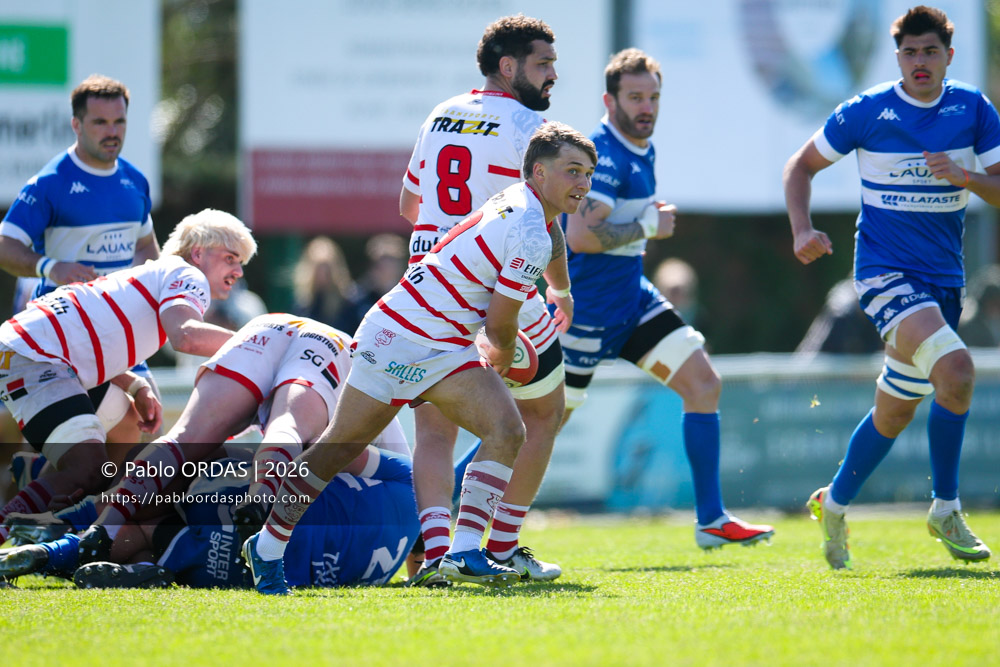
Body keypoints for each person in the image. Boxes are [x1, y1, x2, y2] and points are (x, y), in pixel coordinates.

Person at [243, 121, 595, 595]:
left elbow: (552, 239)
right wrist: (503, 359)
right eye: (572, 171)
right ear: (538, 171)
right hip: (410, 338)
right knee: (338, 449)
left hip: (409, 330)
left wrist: (562, 290)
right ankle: (265, 547)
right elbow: (500, 325)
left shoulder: (523, 203)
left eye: (588, 174)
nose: (583, 183)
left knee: (507, 429)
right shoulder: (529, 226)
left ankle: (464, 551)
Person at [784, 6, 996, 569]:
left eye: (930, 51)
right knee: (958, 372)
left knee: (896, 411)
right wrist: (802, 228)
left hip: (943, 283)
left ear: (949, 55)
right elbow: (799, 167)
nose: (919, 61)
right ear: (896, 56)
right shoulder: (868, 110)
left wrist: (967, 177)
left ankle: (833, 502)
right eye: (910, 52)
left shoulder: (973, 108)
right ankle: (945, 508)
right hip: (883, 275)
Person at [560, 48, 774, 550]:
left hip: (630, 300)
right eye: (635, 97)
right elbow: (581, 237)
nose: (646, 107)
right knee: (532, 427)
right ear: (608, 100)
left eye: (653, 96)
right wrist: (648, 226)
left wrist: (640, 229)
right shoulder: (603, 154)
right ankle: (444, 512)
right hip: (584, 312)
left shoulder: (641, 145)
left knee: (703, 383)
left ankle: (711, 519)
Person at [398, 14, 572, 586]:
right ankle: (500, 546)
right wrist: (560, 286)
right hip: (496, 285)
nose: (552, 74)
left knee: (434, 433)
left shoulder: (439, 113)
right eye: (543, 63)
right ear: (508, 66)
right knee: (545, 412)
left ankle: (435, 555)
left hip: (426, 283)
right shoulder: (528, 125)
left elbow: (408, 205)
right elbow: (541, 219)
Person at [0, 208, 256, 545]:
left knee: (129, 423)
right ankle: (17, 528)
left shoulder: (157, 275)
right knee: (88, 466)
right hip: (36, 354)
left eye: (241, 262)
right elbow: (186, 336)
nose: (238, 270)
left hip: (39, 349)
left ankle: (55, 518)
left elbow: (92, 336)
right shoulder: (188, 276)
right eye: (230, 258)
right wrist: (262, 342)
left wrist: (135, 384)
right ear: (198, 253)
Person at [74, 312, 411, 564]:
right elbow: (412, 480)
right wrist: (418, 561)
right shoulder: (392, 439)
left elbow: (227, 449)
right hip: (329, 344)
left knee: (184, 439)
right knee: (289, 426)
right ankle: (260, 501)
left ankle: (105, 525)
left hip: (260, 329)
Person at [0, 74, 163, 442]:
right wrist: (51, 266)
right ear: (76, 125)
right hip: (65, 334)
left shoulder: (135, 182)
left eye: (119, 121)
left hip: (120, 333)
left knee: (142, 431)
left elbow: (146, 248)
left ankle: (67, 490)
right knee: (110, 431)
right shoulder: (50, 183)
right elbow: (5, 246)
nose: (112, 131)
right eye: (100, 122)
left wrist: (149, 291)